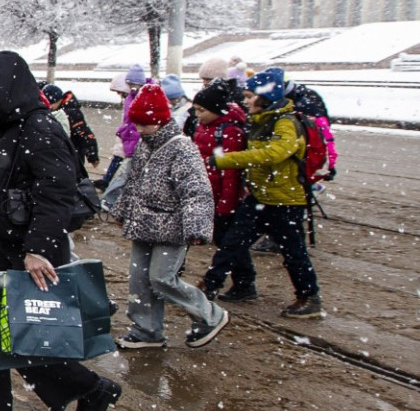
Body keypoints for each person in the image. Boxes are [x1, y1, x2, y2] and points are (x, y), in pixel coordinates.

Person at [0, 51, 123, 411]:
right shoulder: (6, 126)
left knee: (24, 336)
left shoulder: (39, 128)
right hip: (10, 241)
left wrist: (39, 249)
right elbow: (14, 180)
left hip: (32, 248)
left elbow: (57, 193)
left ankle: (91, 389)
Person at [112, 84, 230, 350]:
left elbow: (196, 191)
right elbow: (133, 184)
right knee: (139, 279)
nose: (140, 129)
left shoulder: (181, 149)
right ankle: (147, 331)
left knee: (161, 278)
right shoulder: (145, 146)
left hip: (172, 226)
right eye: (137, 124)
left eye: (145, 124)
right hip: (143, 224)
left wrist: (196, 227)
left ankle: (210, 315)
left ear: (161, 120)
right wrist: (123, 210)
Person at [201, 68, 325, 318]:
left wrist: (225, 160)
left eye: (249, 97)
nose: (245, 101)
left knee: (293, 253)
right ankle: (211, 286)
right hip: (260, 196)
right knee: (231, 243)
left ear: (266, 97)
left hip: (285, 201)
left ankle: (309, 297)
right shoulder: (261, 120)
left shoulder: (286, 123)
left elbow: (273, 154)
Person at [189, 78, 249, 300]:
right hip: (208, 192)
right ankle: (244, 282)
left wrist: (226, 203)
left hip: (222, 196)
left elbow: (231, 174)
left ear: (216, 109)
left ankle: (243, 282)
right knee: (226, 241)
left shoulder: (229, 131)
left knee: (228, 242)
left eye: (202, 110)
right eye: (196, 110)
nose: (197, 115)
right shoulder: (206, 127)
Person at [102, 64, 148, 212]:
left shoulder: (143, 97)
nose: (132, 87)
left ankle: (110, 201)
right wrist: (122, 131)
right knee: (127, 173)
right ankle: (116, 201)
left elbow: (135, 122)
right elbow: (128, 121)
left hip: (136, 142)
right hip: (130, 141)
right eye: (130, 84)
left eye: (134, 84)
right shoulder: (131, 98)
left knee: (125, 173)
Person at [41, 83, 99, 172]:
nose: (50, 107)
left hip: (73, 151)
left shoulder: (71, 113)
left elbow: (85, 134)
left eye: (52, 104)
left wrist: (92, 156)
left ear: (59, 100)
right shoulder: (58, 110)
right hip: (65, 152)